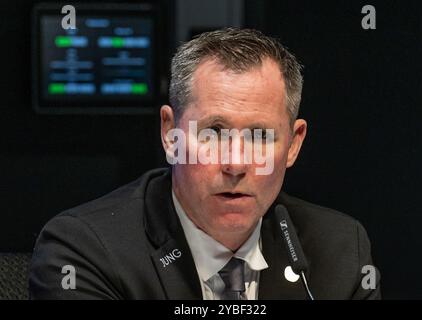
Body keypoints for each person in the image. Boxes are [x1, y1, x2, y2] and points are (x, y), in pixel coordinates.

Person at [29, 28, 381, 299]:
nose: (236, 163)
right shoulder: (84, 250)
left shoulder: (341, 249)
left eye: (260, 136)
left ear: (293, 144)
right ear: (170, 134)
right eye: (213, 132)